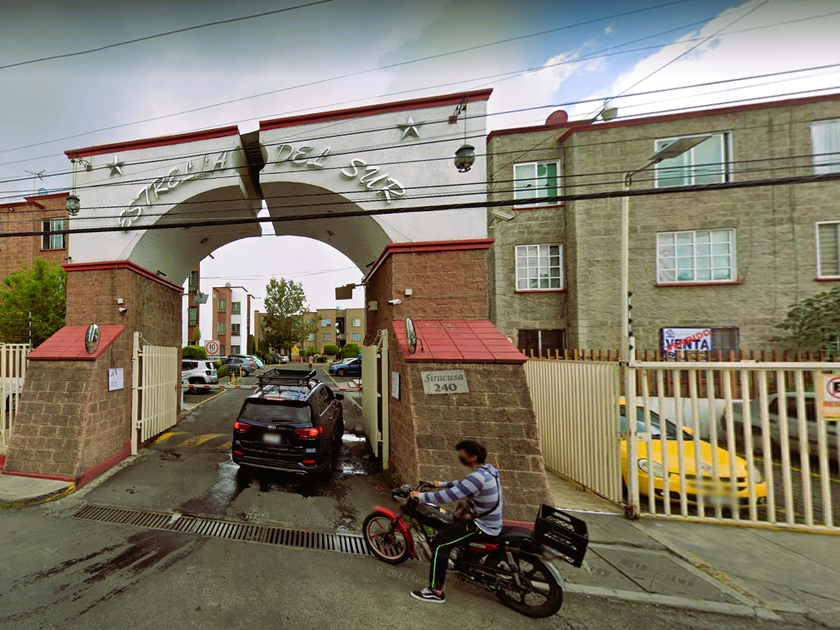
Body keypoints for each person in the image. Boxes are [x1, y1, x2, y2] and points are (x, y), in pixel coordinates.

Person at [409, 440, 502, 604]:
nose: (460, 459)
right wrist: (439, 484)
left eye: (463, 456)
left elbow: (450, 496)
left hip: (481, 526)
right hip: (488, 522)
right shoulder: (488, 471)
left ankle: (435, 591)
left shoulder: (477, 477)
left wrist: (421, 496)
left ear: (473, 457)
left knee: (439, 544)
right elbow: (463, 484)